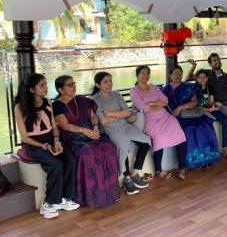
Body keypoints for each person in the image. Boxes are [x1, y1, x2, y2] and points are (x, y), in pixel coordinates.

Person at [14, 73, 80, 219]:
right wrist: (42, 145)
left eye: (46, 84)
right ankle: (49, 203)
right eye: (42, 85)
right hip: (32, 144)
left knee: (70, 158)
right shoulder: (20, 108)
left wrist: (56, 141)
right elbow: (24, 137)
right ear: (32, 89)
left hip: (50, 138)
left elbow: (54, 127)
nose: (46, 88)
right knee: (55, 164)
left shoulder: (48, 103)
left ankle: (65, 198)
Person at [53, 75, 121, 207]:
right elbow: (65, 126)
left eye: (74, 83)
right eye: (70, 85)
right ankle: (90, 196)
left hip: (90, 133)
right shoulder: (57, 105)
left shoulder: (81, 100)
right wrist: (84, 131)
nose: (74, 86)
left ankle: (110, 192)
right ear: (60, 90)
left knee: (109, 148)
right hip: (73, 136)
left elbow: (93, 117)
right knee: (87, 154)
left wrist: (95, 126)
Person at [91, 72, 151, 195]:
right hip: (110, 129)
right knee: (122, 146)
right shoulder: (95, 99)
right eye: (105, 81)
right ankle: (127, 179)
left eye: (110, 80)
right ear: (98, 84)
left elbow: (127, 113)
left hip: (124, 125)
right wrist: (118, 115)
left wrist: (111, 114)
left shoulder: (117, 95)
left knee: (146, 141)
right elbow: (103, 120)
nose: (109, 84)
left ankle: (135, 174)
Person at [130, 65, 186, 179]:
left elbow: (165, 100)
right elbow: (143, 108)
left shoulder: (153, 87)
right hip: (149, 119)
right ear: (137, 75)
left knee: (180, 133)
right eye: (142, 73)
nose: (145, 76)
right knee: (158, 137)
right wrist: (155, 105)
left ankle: (182, 167)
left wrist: (151, 104)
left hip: (164, 116)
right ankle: (158, 170)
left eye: (147, 73)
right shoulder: (134, 91)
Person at [162, 65, 221, 172]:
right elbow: (163, 105)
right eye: (175, 73)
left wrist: (181, 107)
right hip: (177, 117)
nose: (178, 75)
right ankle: (193, 163)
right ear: (170, 75)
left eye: (180, 73)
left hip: (191, 113)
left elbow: (194, 102)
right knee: (188, 130)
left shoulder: (188, 86)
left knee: (205, 124)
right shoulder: (165, 89)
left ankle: (207, 159)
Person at [186, 63, 227, 157]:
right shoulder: (194, 89)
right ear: (196, 79)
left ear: (207, 78)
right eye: (200, 77)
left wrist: (214, 105)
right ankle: (216, 149)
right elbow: (195, 105)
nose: (202, 79)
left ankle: (225, 147)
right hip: (200, 111)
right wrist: (208, 109)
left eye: (204, 77)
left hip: (209, 109)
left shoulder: (210, 88)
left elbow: (211, 101)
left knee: (225, 120)